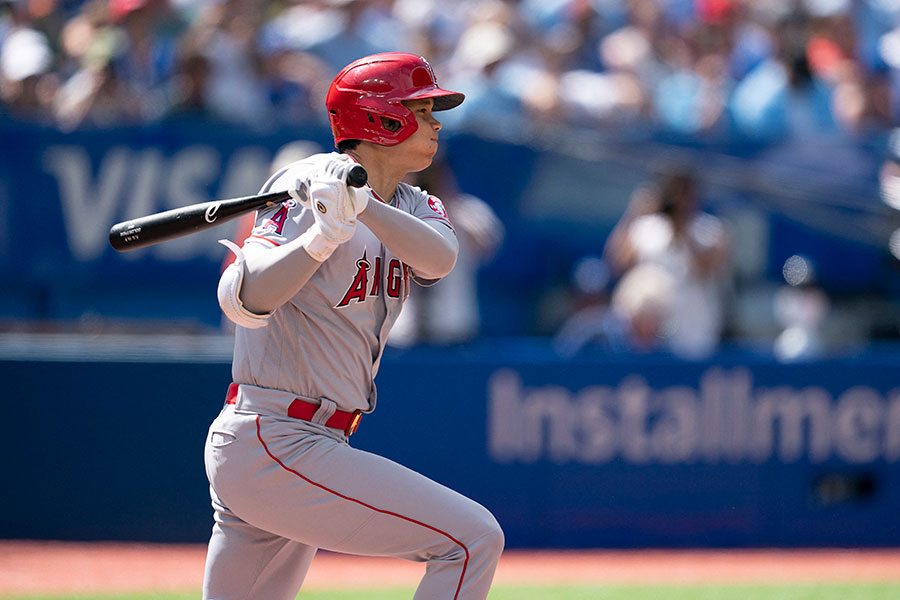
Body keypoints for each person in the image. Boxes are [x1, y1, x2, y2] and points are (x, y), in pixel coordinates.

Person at [203, 52, 504, 600]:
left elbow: (441, 258)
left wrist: (362, 207)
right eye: (422, 109)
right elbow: (247, 298)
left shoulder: (414, 201)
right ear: (382, 119)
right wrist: (320, 237)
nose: (437, 122)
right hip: (275, 436)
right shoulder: (303, 181)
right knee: (471, 540)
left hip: (309, 439)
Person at [604, 165, 731, 359]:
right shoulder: (647, 228)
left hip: (695, 334)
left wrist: (682, 229)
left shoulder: (710, 230)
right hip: (651, 337)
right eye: (673, 192)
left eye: (683, 192)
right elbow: (616, 264)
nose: (678, 199)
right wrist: (634, 213)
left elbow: (705, 269)